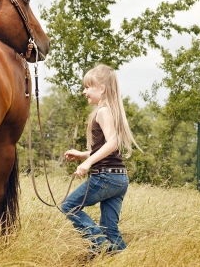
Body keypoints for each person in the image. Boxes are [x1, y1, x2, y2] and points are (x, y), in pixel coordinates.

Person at [61, 64, 141, 255]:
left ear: (102, 88)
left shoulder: (103, 111)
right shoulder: (110, 112)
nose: (84, 91)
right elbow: (106, 149)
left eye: (88, 87)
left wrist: (87, 163)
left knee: (69, 206)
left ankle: (99, 244)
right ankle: (121, 258)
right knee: (110, 230)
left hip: (105, 177)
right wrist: (82, 155)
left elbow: (112, 143)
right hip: (119, 178)